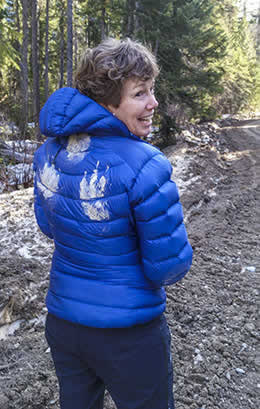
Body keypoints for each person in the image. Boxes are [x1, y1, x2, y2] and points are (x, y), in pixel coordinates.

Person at [34, 37, 193, 409]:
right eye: (140, 93)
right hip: (130, 334)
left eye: (151, 91)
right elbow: (169, 266)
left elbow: (48, 226)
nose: (153, 103)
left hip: (64, 324)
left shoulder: (49, 153)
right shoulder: (146, 164)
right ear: (106, 102)